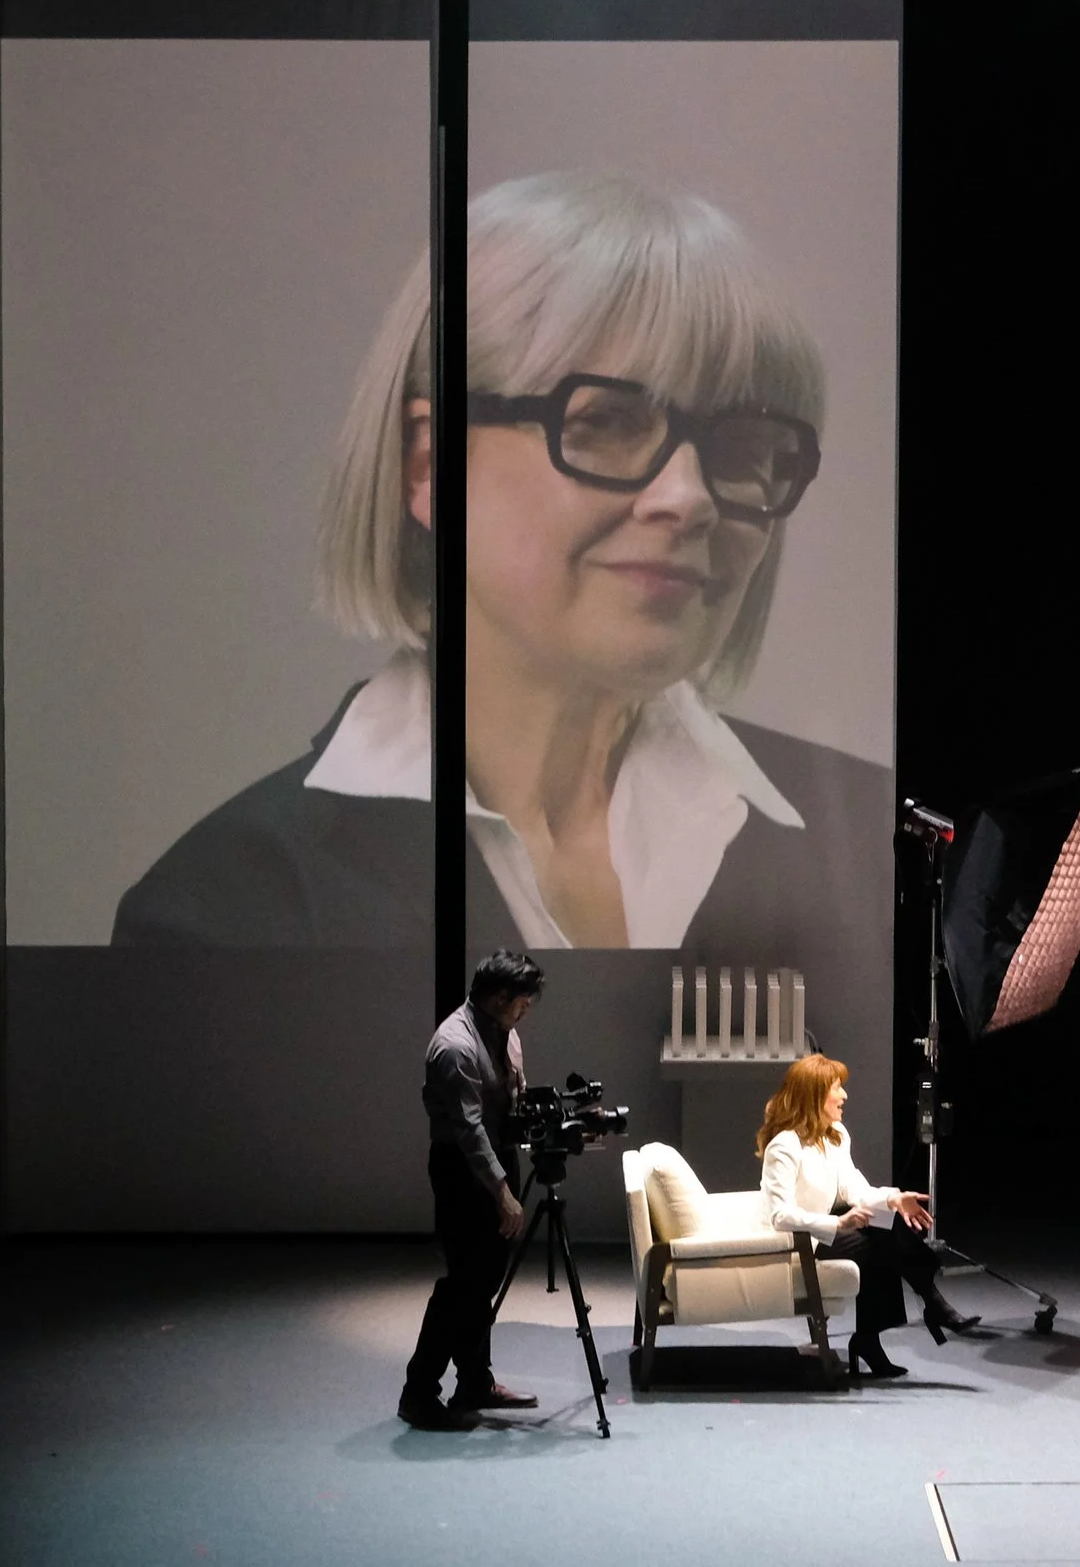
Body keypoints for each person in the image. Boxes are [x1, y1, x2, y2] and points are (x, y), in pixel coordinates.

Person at [111, 169, 891, 956]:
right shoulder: (232, 913)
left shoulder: (882, 853)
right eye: (607, 422)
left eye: (745, 446)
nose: (688, 499)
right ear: (427, 465)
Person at [756, 1053, 974, 1378]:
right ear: (815, 1095)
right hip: (800, 1240)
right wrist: (838, 1223)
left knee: (888, 1221)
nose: (844, 1095)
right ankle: (918, 1311)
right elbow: (779, 1216)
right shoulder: (784, 1146)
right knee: (879, 1243)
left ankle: (899, 1322)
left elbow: (854, 1188)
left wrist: (892, 1198)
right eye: (836, 1088)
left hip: (827, 1231)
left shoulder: (835, 1135)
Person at [400, 950, 547, 1430]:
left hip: (497, 1161)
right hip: (462, 1171)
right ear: (500, 997)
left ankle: (474, 1382)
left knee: (484, 1281)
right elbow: (469, 1130)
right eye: (522, 1001)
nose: (526, 1009)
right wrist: (503, 1192)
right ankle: (418, 1393)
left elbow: (509, 1103)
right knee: (463, 1283)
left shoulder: (505, 1032)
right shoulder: (455, 1046)